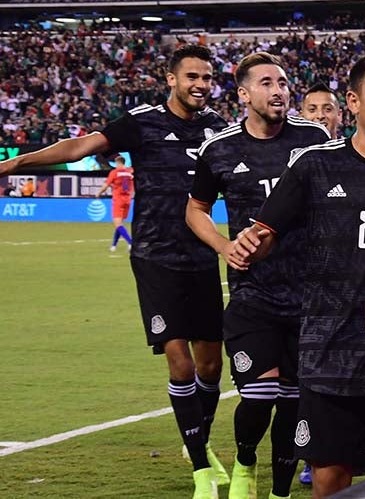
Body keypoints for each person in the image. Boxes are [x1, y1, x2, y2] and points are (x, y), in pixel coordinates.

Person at [0, 44, 230, 499]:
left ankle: (195, 439)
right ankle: (202, 466)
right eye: (192, 77)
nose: (201, 85)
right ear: (171, 79)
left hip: (204, 254)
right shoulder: (141, 122)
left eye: (207, 77)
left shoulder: (218, 129)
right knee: (179, 360)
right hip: (154, 256)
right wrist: (15, 163)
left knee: (211, 364)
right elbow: (81, 145)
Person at [233, 51, 365, 498]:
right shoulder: (313, 165)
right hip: (328, 356)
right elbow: (267, 231)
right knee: (329, 478)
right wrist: (253, 241)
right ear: (354, 102)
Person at [186, 52, 330, 499]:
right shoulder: (220, 149)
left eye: (284, 82)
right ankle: (246, 459)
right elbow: (195, 210)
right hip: (254, 294)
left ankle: (280, 492)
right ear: (244, 94)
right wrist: (225, 246)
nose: (279, 90)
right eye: (267, 82)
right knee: (260, 394)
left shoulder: (314, 139)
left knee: (293, 402)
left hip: (309, 295)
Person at [296, 82, 343, 488]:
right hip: (305, 288)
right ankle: (310, 453)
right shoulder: (301, 164)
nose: (320, 116)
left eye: (327, 109)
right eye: (312, 109)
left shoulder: (355, 158)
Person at [96, 155, 134, 252]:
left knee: (118, 224)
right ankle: (114, 245)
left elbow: (106, 185)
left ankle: (131, 243)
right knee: (120, 224)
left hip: (118, 200)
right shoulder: (129, 173)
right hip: (127, 200)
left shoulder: (115, 172)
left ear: (118, 163)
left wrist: (98, 193)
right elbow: (133, 186)